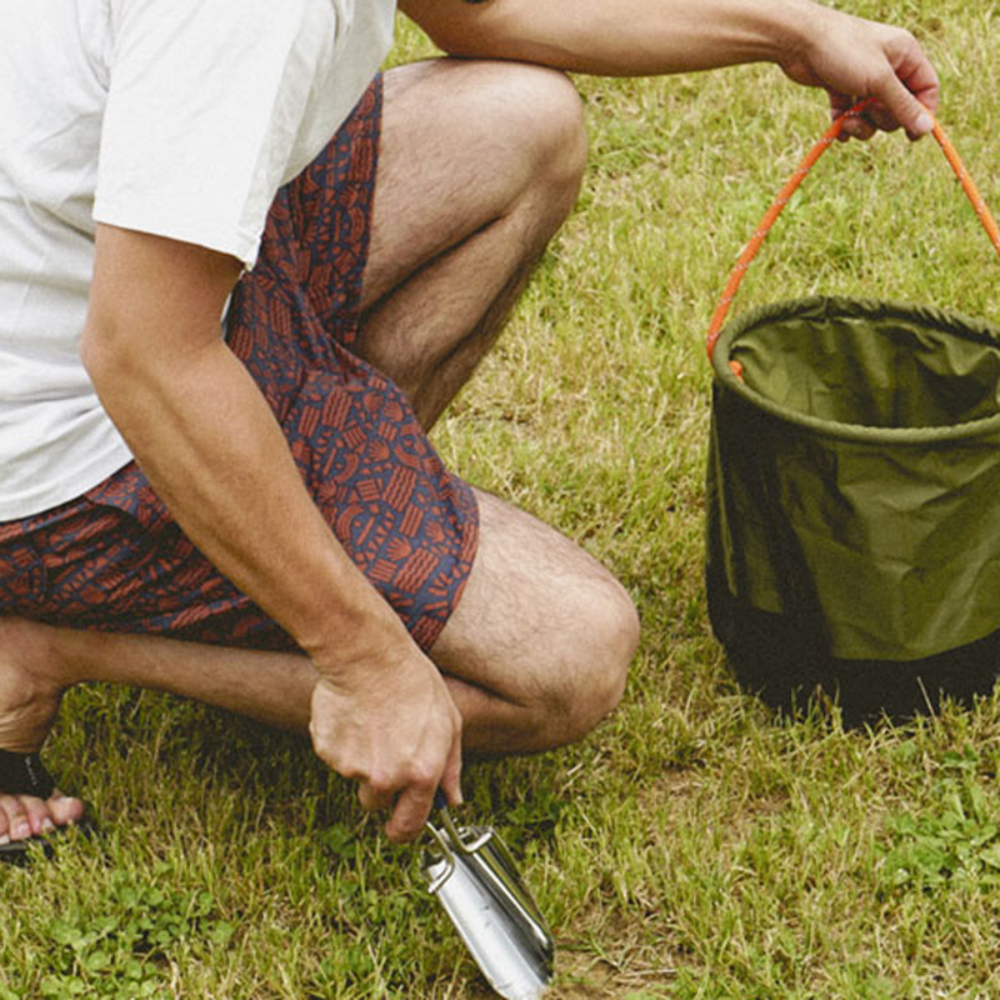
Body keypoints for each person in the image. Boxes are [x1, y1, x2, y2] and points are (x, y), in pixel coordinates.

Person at [0, 0, 939, 854]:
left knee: (521, 120)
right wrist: (363, 657)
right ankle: (46, 645)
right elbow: (141, 354)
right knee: (569, 655)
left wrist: (795, 32)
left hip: (164, 282)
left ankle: (308, 542)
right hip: (71, 451)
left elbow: (486, 10)